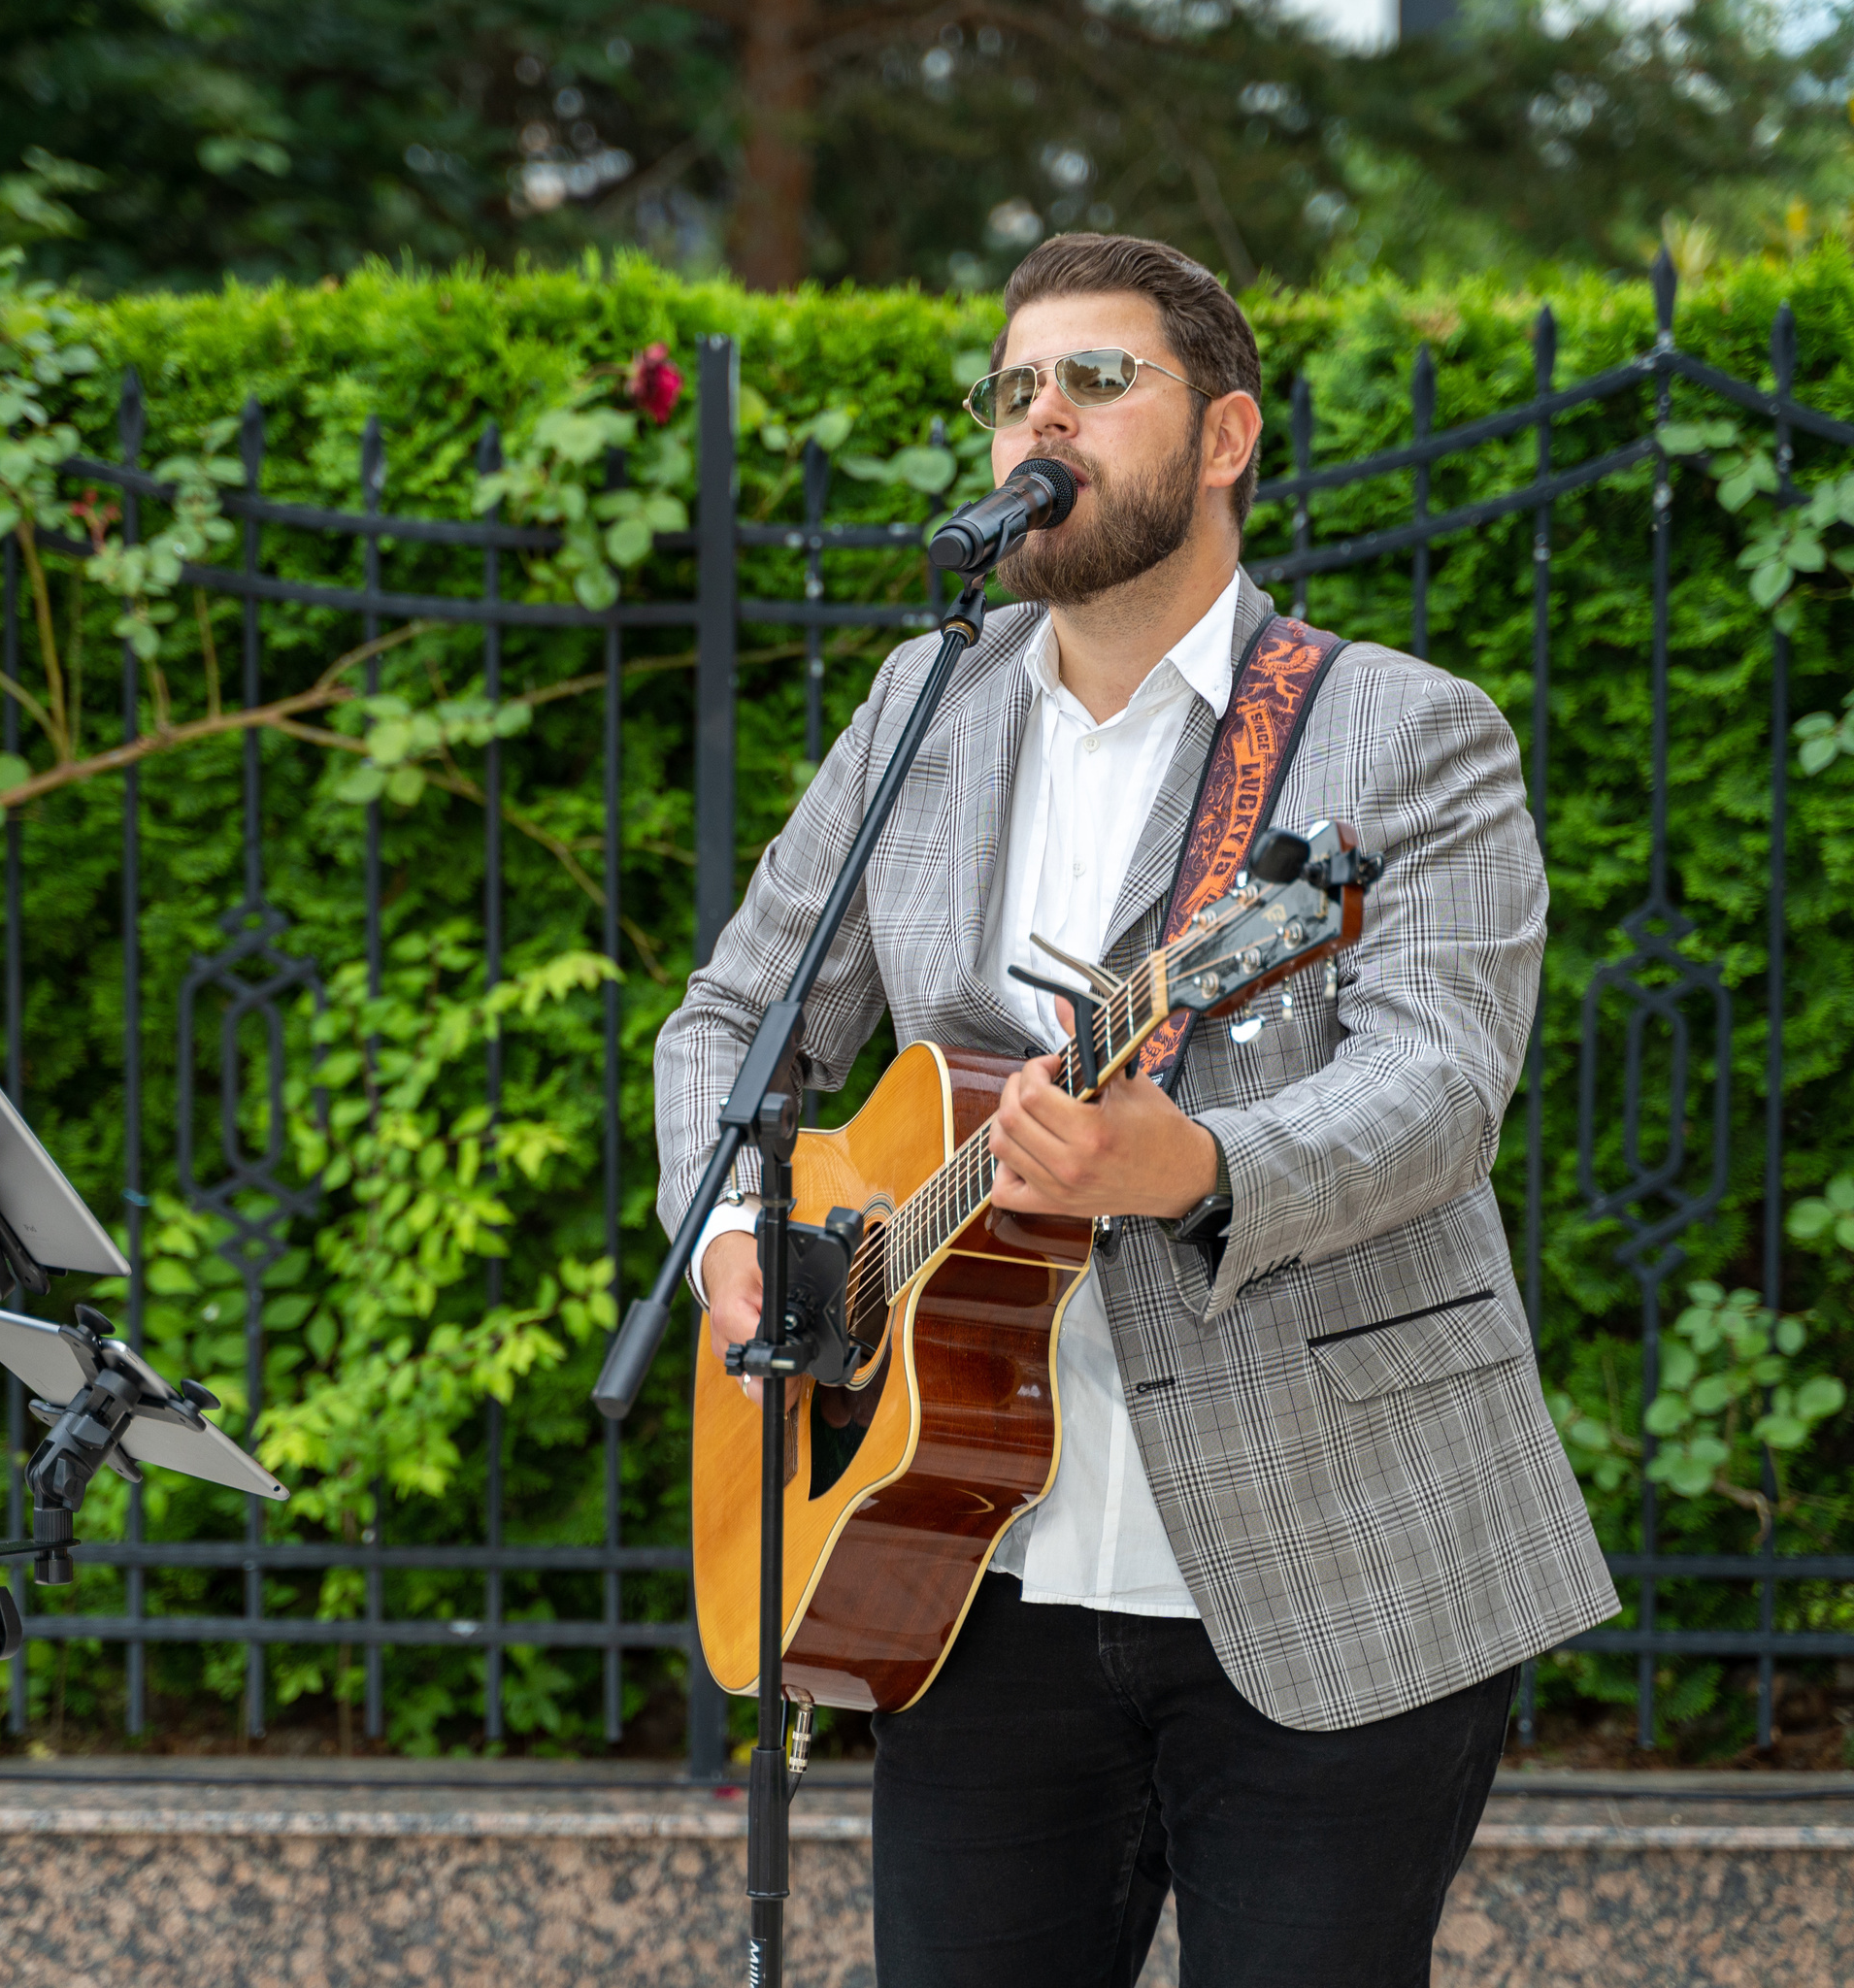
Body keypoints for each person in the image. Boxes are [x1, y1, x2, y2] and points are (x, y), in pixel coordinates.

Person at [653, 232, 1617, 1988]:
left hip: (1342, 1553)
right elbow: (739, 1016)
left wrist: (1196, 1161)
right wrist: (735, 1240)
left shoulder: (1404, 734)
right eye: (1017, 387)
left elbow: (1441, 1080)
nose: (1046, 417)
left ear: (1227, 435)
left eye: (1098, 380)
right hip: (963, 1567)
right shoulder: (917, 713)